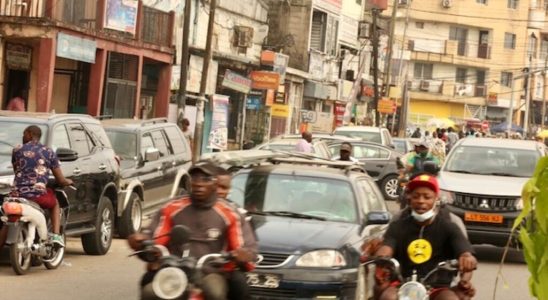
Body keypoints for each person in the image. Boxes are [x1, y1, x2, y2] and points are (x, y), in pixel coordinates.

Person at [128, 162, 256, 300]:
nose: (199, 184)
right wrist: (142, 242)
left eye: (205, 179)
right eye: (195, 178)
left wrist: (242, 255)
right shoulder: (172, 208)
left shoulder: (230, 213)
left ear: (215, 184)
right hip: (175, 270)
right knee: (149, 292)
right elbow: (155, 238)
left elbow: (244, 249)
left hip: (212, 273)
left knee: (215, 292)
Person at [371, 175, 477, 300]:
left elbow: (465, 252)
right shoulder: (398, 225)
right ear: (409, 199)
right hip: (401, 285)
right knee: (387, 297)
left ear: (436, 200)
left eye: (427, 197)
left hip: (438, 288)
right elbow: (387, 246)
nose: (421, 201)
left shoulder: (449, 227)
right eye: (416, 196)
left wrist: (467, 259)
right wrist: (382, 257)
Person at [0, 125, 73, 249]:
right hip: (37, 195)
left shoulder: (17, 149)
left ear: (29, 134)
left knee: (8, 220)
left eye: (24, 134)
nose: (23, 137)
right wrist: (68, 182)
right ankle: (56, 236)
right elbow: (60, 179)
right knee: (55, 202)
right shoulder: (49, 152)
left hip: (16, 194)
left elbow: (17, 170)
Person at [215, 167, 258, 300]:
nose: (219, 191)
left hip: (223, 270)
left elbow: (250, 248)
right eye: (216, 186)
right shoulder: (183, 207)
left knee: (240, 285)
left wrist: (242, 255)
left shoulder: (237, 214)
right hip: (187, 268)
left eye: (224, 188)